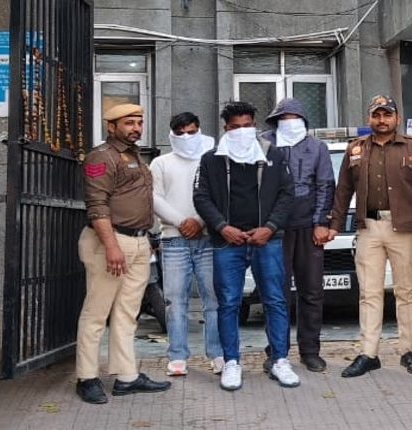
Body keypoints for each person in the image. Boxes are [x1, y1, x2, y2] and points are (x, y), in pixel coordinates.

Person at [193, 101, 298, 391]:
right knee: (229, 303)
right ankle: (231, 362)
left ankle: (279, 359)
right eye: (235, 127)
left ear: (255, 125)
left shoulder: (272, 154)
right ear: (225, 128)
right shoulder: (211, 159)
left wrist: (270, 227)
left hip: (267, 240)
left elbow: (287, 194)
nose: (242, 131)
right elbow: (201, 197)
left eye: (247, 126)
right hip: (228, 242)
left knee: (275, 300)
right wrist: (222, 227)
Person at [328, 95, 412, 378]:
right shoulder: (356, 149)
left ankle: (409, 352)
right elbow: (343, 191)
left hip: (405, 228)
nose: (382, 120)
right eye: (376, 115)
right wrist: (335, 225)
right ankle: (368, 353)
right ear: (369, 118)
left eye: (387, 115)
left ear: (397, 118)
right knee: (369, 293)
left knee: (406, 291)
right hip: (369, 228)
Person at [76, 104, 171, 404]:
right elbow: (97, 205)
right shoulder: (101, 156)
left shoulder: (134, 155)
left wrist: (147, 239)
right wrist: (112, 246)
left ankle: (126, 376)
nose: (136, 128)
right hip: (110, 242)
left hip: (138, 242)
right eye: (129, 123)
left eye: (139, 122)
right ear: (111, 126)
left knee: (127, 314)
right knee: (97, 312)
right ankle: (87, 377)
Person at [260, 98, 335, 373]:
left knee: (312, 291)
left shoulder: (318, 147)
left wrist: (321, 222)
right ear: (275, 121)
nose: (289, 123)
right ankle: (276, 352)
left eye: (294, 118)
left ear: (304, 121)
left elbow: (325, 185)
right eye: (284, 118)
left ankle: (310, 351)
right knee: (275, 292)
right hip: (274, 228)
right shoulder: (263, 143)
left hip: (307, 226)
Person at [150, 112, 224, 377]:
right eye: (180, 133)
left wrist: (200, 221)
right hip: (173, 239)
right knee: (175, 301)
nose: (186, 137)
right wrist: (182, 222)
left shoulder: (213, 159)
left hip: (209, 237)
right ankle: (177, 356)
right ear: (172, 134)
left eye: (191, 132)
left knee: (214, 299)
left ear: (199, 129)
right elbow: (155, 198)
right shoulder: (160, 163)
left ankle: (217, 354)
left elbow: (219, 196)